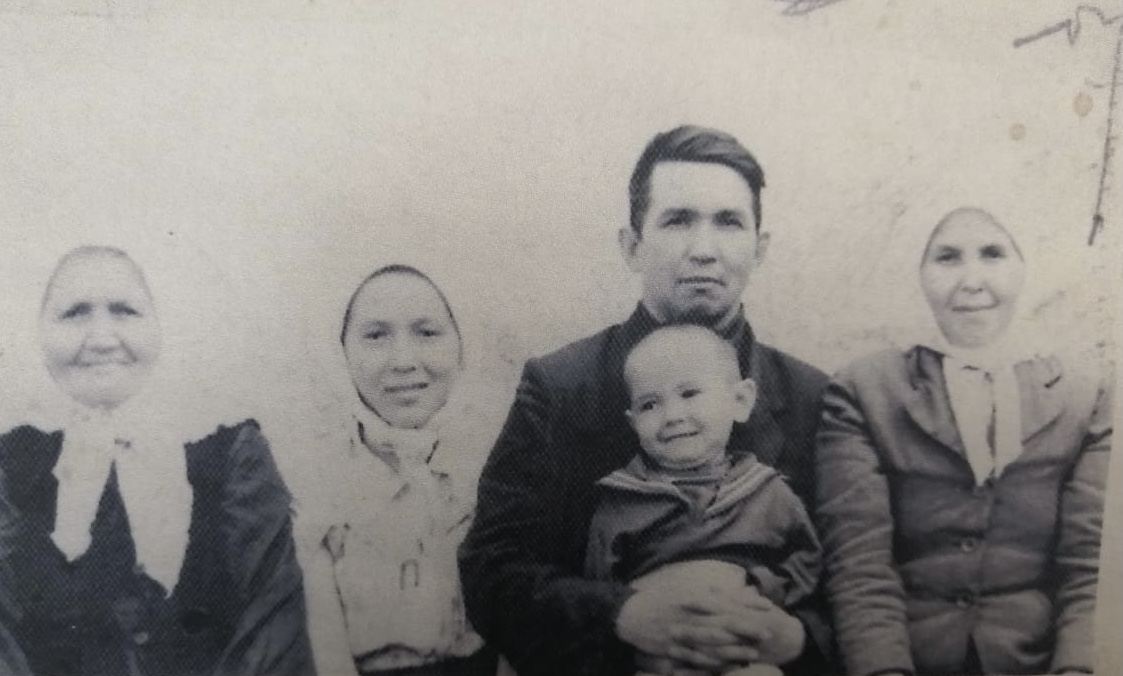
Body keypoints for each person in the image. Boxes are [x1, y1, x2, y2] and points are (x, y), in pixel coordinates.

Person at [460, 125, 833, 676]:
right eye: (678, 220)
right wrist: (622, 617)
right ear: (631, 246)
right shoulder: (562, 387)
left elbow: (862, 577)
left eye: (729, 222)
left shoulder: (810, 397)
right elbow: (493, 572)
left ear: (760, 248)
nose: (703, 250)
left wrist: (799, 638)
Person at [815, 207, 1112, 676]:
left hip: (1038, 662)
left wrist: (1077, 669)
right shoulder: (864, 390)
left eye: (993, 254)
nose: (972, 282)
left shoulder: (1086, 395)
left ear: (1026, 265)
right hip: (908, 659)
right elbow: (858, 562)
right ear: (917, 271)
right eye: (947, 257)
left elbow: (1094, 564)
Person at [0, 245, 314, 676]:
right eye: (74, 313)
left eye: (125, 311)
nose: (102, 338)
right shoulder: (12, 465)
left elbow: (272, 633)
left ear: (162, 323)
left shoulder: (232, 455)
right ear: (40, 331)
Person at [586, 324, 822, 676]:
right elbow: (599, 587)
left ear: (740, 401)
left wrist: (763, 588)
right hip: (660, 658)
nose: (672, 416)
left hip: (745, 648)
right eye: (650, 404)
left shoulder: (768, 491)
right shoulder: (622, 500)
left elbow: (808, 560)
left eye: (690, 393)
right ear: (633, 423)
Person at [302, 264, 498, 676]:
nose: (403, 361)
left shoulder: (498, 469)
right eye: (376, 336)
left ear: (462, 343)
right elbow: (326, 654)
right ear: (341, 349)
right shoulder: (316, 486)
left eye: (427, 333)